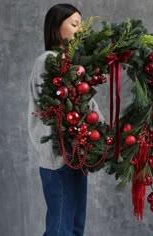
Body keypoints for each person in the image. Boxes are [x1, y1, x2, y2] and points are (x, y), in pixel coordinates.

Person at [27, 3, 104, 236]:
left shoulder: (74, 65)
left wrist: (102, 132)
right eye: (74, 24)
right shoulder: (47, 61)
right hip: (58, 158)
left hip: (77, 156)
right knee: (60, 227)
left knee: (75, 226)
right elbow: (53, 106)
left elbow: (88, 104)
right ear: (56, 27)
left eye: (81, 24)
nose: (79, 29)